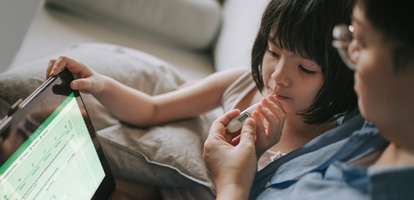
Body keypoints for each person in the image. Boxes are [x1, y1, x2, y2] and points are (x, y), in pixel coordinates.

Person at [46, 0, 359, 198]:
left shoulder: (325, 148)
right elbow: (152, 109)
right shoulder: (240, 84)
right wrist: (99, 84)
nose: (278, 76)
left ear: (342, 75)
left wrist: (255, 156)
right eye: (273, 52)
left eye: (305, 68)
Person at [203, 0, 414, 199]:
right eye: (351, 34)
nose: (348, 54)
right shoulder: (373, 120)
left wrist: (232, 186)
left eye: (363, 43)